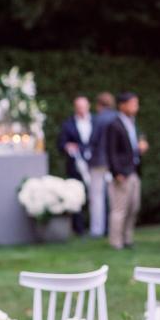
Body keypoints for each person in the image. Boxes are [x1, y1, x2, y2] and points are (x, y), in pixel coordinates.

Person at [105, 92, 147, 250]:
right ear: (122, 105)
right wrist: (116, 172)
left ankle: (127, 238)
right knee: (119, 208)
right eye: (133, 103)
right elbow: (111, 151)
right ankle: (116, 241)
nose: (136, 107)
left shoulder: (133, 123)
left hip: (134, 170)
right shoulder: (114, 125)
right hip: (122, 173)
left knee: (133, 207)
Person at [56, 95, 93, 235]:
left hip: (93, 164)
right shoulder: (68, 124)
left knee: (97, 196)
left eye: (84, 107)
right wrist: (67, 146)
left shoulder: (95, 121)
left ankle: (99, 227)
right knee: (76, 196)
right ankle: (79, 229)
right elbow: (61, 144)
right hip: (75, 166)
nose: (82, 110)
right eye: (79, 107)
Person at [88, 93, 117, 238]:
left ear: (99, 104)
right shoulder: (118, 117)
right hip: (114, 162)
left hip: (99, 161)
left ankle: (97, 229)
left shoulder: (98, 119)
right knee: (114, 196)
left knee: (97, 196)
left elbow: (93, 139)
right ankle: (114, 227)